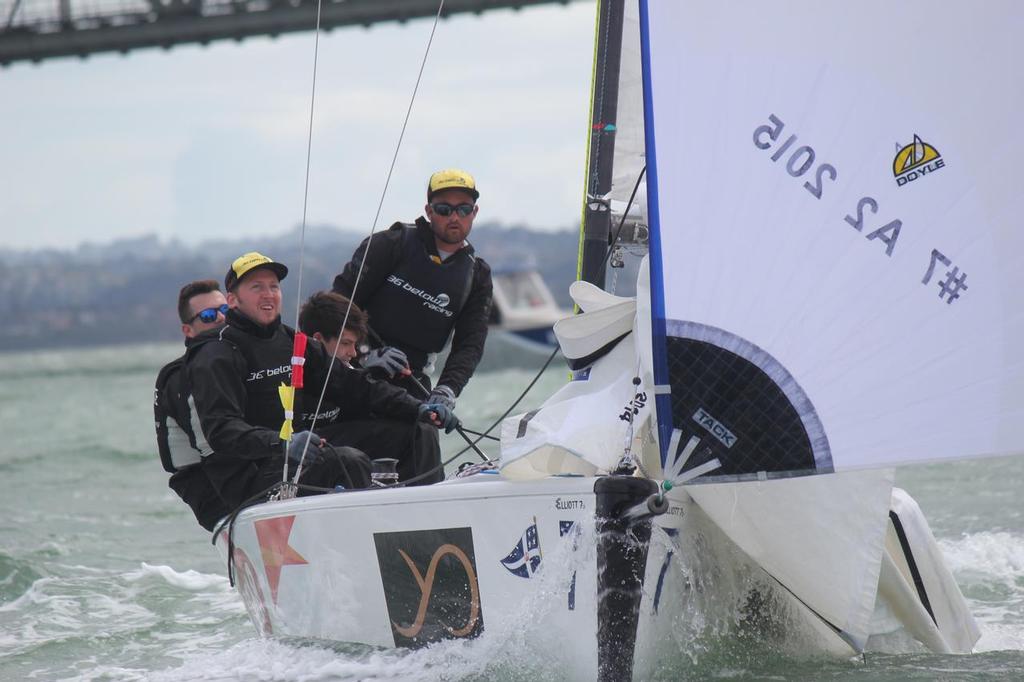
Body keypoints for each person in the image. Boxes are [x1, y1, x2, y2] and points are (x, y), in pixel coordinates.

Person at [185, 252, 458, 511]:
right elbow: (222, 430)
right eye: (256, 287)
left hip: (301, 449)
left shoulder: (294, 343)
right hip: (253, 469)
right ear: (233, 300)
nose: (268, 294)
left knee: (416, 432)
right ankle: (360, 538)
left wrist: (418, 407)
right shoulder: (215, 353)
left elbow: (356, 385)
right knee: (348, 460)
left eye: (274, 286)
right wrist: (282, 442)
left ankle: (426, 516)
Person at [332, 168, 493, 411]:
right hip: (355, 367)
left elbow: (470, 343)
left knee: (424, 433)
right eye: (444, 209)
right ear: (429, 211)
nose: (454, 217)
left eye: (464, 209)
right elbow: (338, 302)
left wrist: (448, 388)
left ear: (474, 212)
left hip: (413, 379)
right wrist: (364, 354)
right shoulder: (390, 244)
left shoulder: (477, 275)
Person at [298, 291, 443, 484]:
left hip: (339, 439)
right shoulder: (295, 365)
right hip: (305, 446)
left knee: (420, 429)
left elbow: (370, 392)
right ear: (317, 340)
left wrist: (421, 408)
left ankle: (427, 494)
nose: (352, 352)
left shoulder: (347, 369)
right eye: (346, 343)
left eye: (355, 344)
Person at [154, 279, 231, 531]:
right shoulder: (179, 378)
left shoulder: (238, 357)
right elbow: (214, 446)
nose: (220, 318)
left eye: (225, 310)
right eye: (208, 315)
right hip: (209, 490)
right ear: (187, 330)